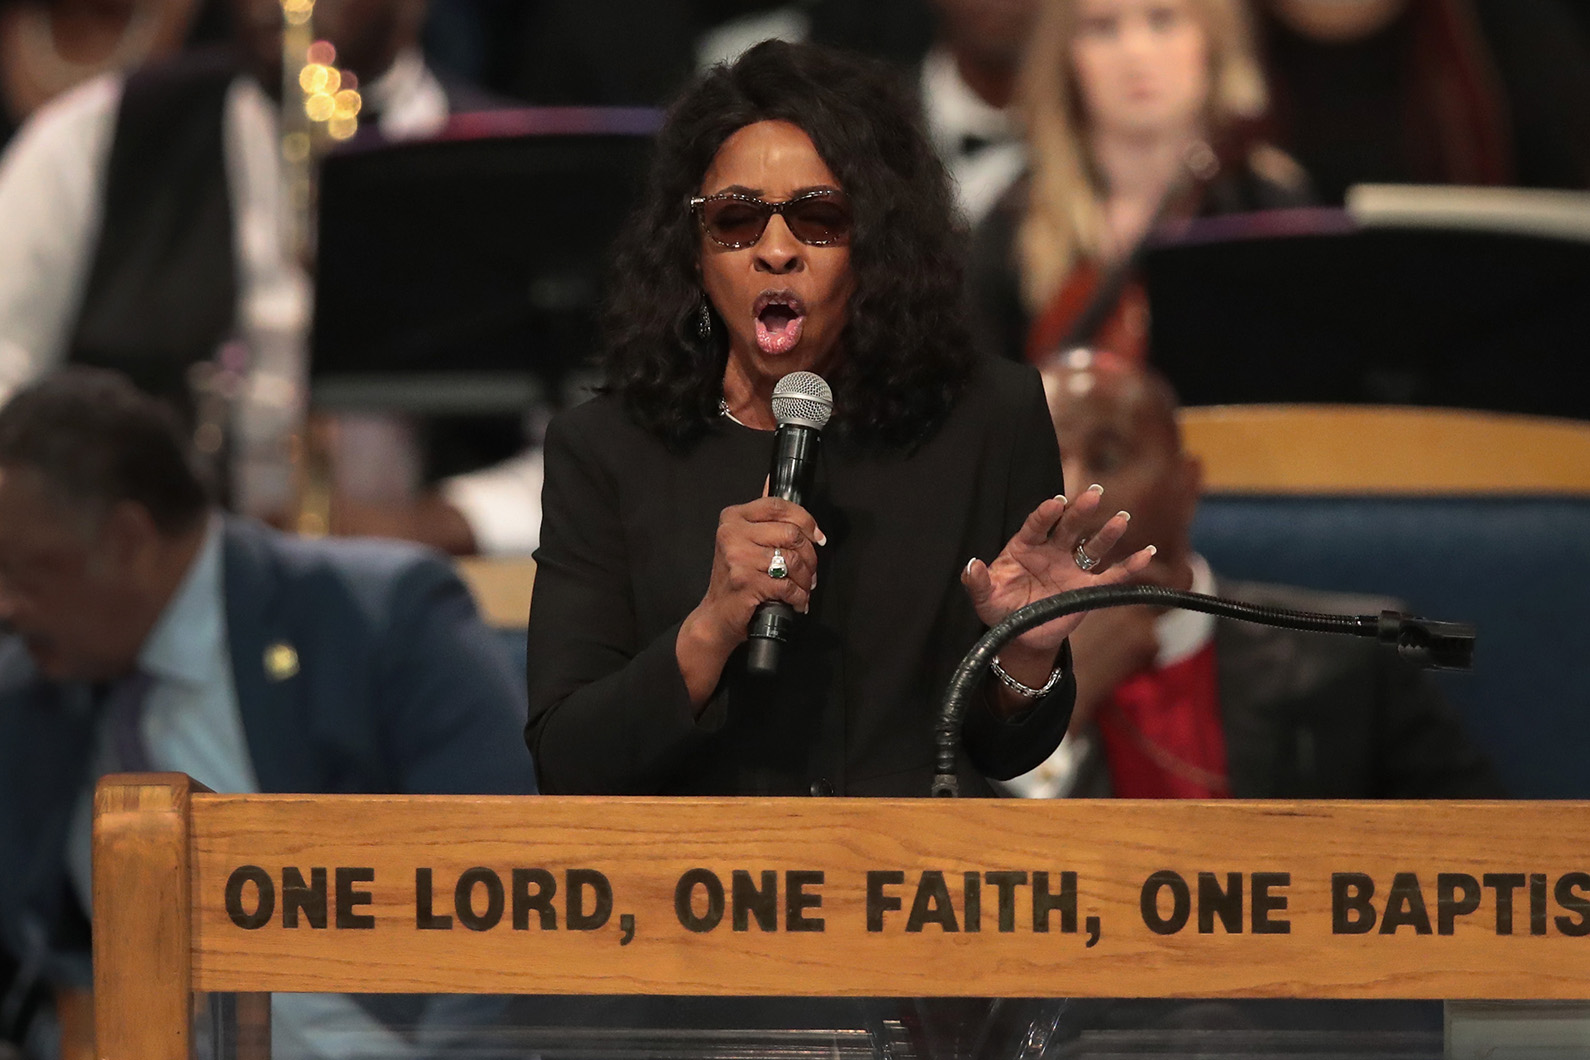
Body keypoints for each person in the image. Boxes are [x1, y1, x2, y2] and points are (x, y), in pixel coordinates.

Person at [523, 40, 1153, 800]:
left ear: (873, 244)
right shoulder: (606, 450)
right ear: (694, 252)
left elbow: (1003, 752)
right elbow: (568, 759)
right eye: (736, 219)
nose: (776, 250)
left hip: (909, 888)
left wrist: (1023, 659)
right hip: (694, 893)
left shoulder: (989, 419)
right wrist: (712, 625)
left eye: (819, 219)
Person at [0, 369, 537, 1058]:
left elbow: (515, 894)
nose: (6, 607)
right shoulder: (30, 692)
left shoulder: (383, 621)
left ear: (128, 538)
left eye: (26, 571)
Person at [0, 0, 539, 556]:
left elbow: (596, 444)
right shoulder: (100, 135)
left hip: (442, 600)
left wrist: (451, 521)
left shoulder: (517, 167)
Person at [1000, 349, 1502, 799]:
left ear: (1185, 484)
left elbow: (1486, 863)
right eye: (1043, 459)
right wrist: (1063, 704)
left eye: (1107, 457)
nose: (1073, 488)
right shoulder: (972, 670)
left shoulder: (1353, 661)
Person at [968, 0, 1310, 365]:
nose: (1135, 53)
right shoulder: (1013, 219)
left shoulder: (1269, 200)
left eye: (1163, 20)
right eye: (1103, 28)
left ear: (1212, 40)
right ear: (1066, 55)